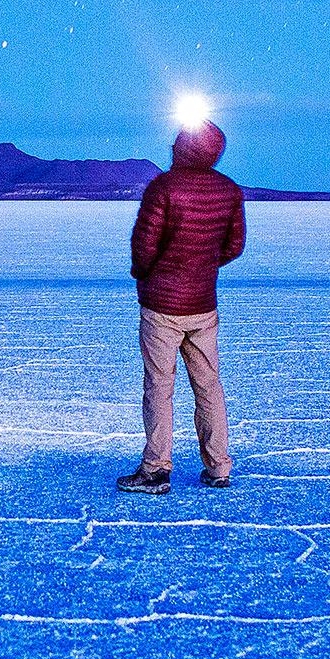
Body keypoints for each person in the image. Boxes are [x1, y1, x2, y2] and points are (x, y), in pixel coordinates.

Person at [118, 116, 245, 493]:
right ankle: (219, 466)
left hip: (161, 305)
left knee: (159, 386)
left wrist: (147, 273)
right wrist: (201, 267)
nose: (172, 145)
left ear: (187, 147)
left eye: (178, 141)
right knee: (209, 385)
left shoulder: (163, 188)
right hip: (203, 305)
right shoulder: (229, 191)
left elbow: (144, 247)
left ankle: (156, 469)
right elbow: (234, 247)